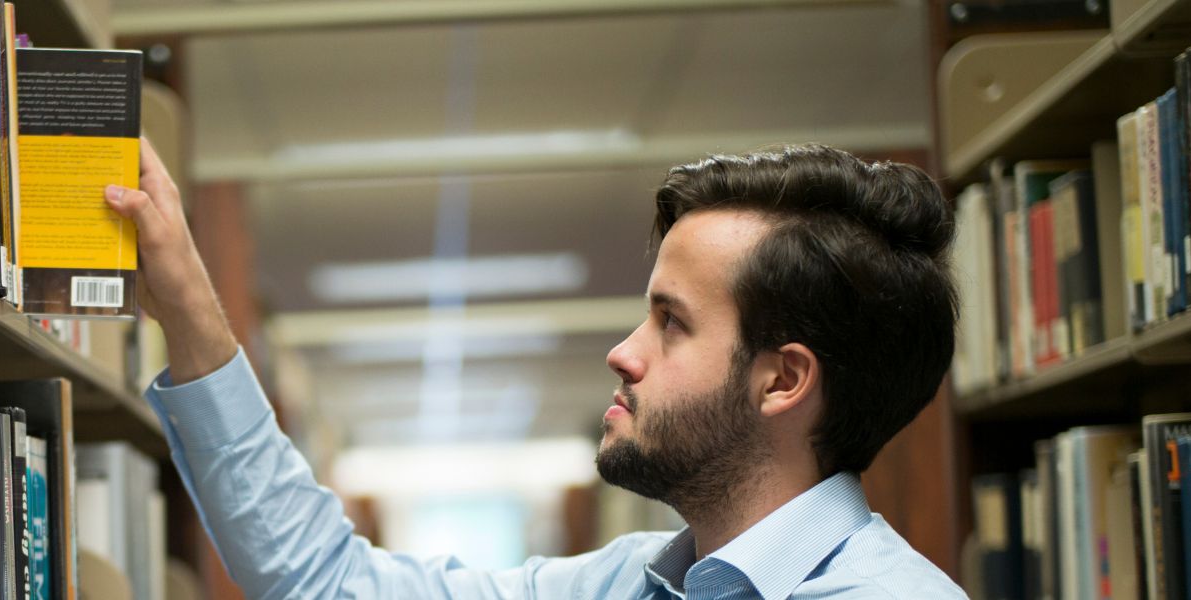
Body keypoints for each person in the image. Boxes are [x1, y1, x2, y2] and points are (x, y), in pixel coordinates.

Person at [102, 140, 968, 599]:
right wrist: (185, 306)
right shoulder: (625, 584)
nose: (623, 352)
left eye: (672, 323)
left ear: (783, 380)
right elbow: (328, 583)